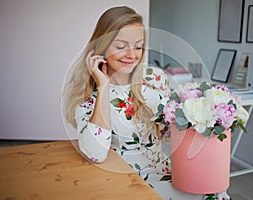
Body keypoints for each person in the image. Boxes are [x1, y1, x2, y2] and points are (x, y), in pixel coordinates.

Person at [62, 6, 229, 200]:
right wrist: (104, 86)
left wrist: (199, 117)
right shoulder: (87, 95)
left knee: (214, 192)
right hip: (122, 181)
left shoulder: (154, 78)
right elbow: (96, 154)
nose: (132, 55)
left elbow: (169, 135)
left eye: (138, 46)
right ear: (102, 47)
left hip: (162, 172)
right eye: (121, 46)